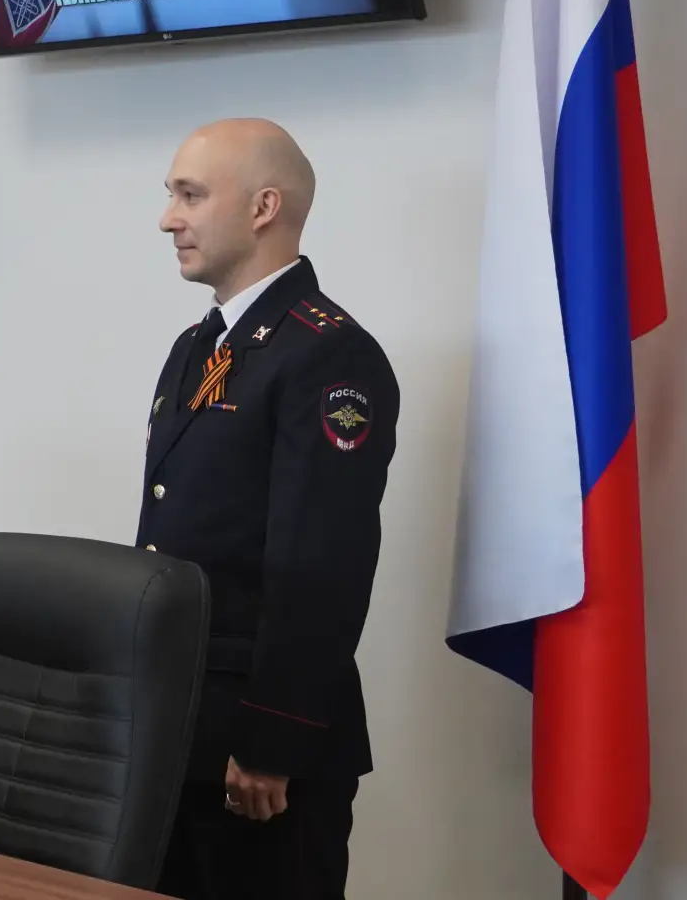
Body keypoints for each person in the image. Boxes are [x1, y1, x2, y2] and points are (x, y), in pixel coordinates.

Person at [140, 119, 398, 900]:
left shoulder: (326, 353)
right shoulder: (198, 347)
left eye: (190, 195)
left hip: (256, 751)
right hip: (177, 732)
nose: (168, 219)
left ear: (263, 207)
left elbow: (320, 564)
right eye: (171, 195)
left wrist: (271, 742)